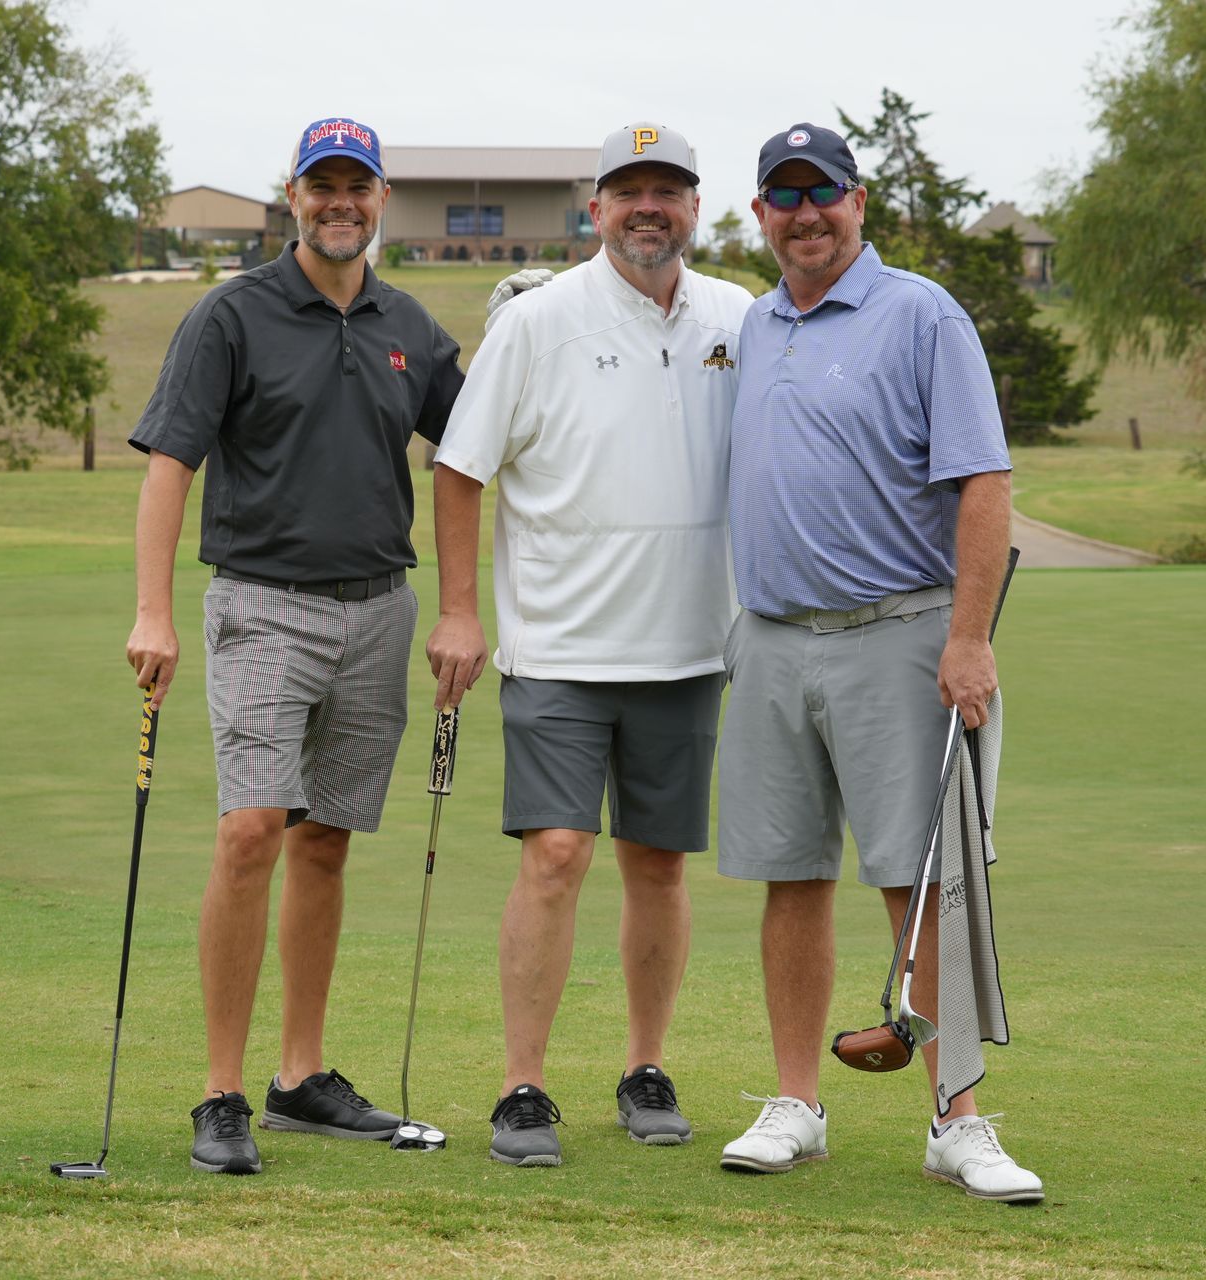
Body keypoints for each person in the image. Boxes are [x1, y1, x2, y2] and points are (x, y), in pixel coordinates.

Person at [124, 117, 463, 1176]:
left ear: (381, 198)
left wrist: (461, 606)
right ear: (293, 195)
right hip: (263, 602)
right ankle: (221, 1090)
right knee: (251, 830)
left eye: (356, 186)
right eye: (322, 185)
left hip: (380, 609)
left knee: (325, 839)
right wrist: (153, 609)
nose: (339, 202)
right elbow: (171, 462)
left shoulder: (413, 326)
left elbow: (474, 455)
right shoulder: (232, 314)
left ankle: (299, 1078)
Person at [713, 123, 1042, 1202]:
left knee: (923, 878)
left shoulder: (922, 315)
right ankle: (796, 1103)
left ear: (862, 203)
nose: (805, 213)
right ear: (759, 214)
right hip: (768, 639)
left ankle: (958, 1116)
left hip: (896, 631)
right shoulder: (756, 325)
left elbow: (982, 483)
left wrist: (967, 635)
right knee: (791, 870)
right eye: (784, 196)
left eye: (825, 192)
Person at [426, 122, 754, 1167]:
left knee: (658, 863)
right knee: (557, 854)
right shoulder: (539, 321)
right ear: (594, 208)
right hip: (560, 643)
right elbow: (460, 468)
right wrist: (463, 611)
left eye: (668, 190)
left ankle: (644, 1065)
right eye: (628, 192)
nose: (647, 208)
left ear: (696, 207)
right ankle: (523, 1083)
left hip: (688, 644)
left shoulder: (740, 317)